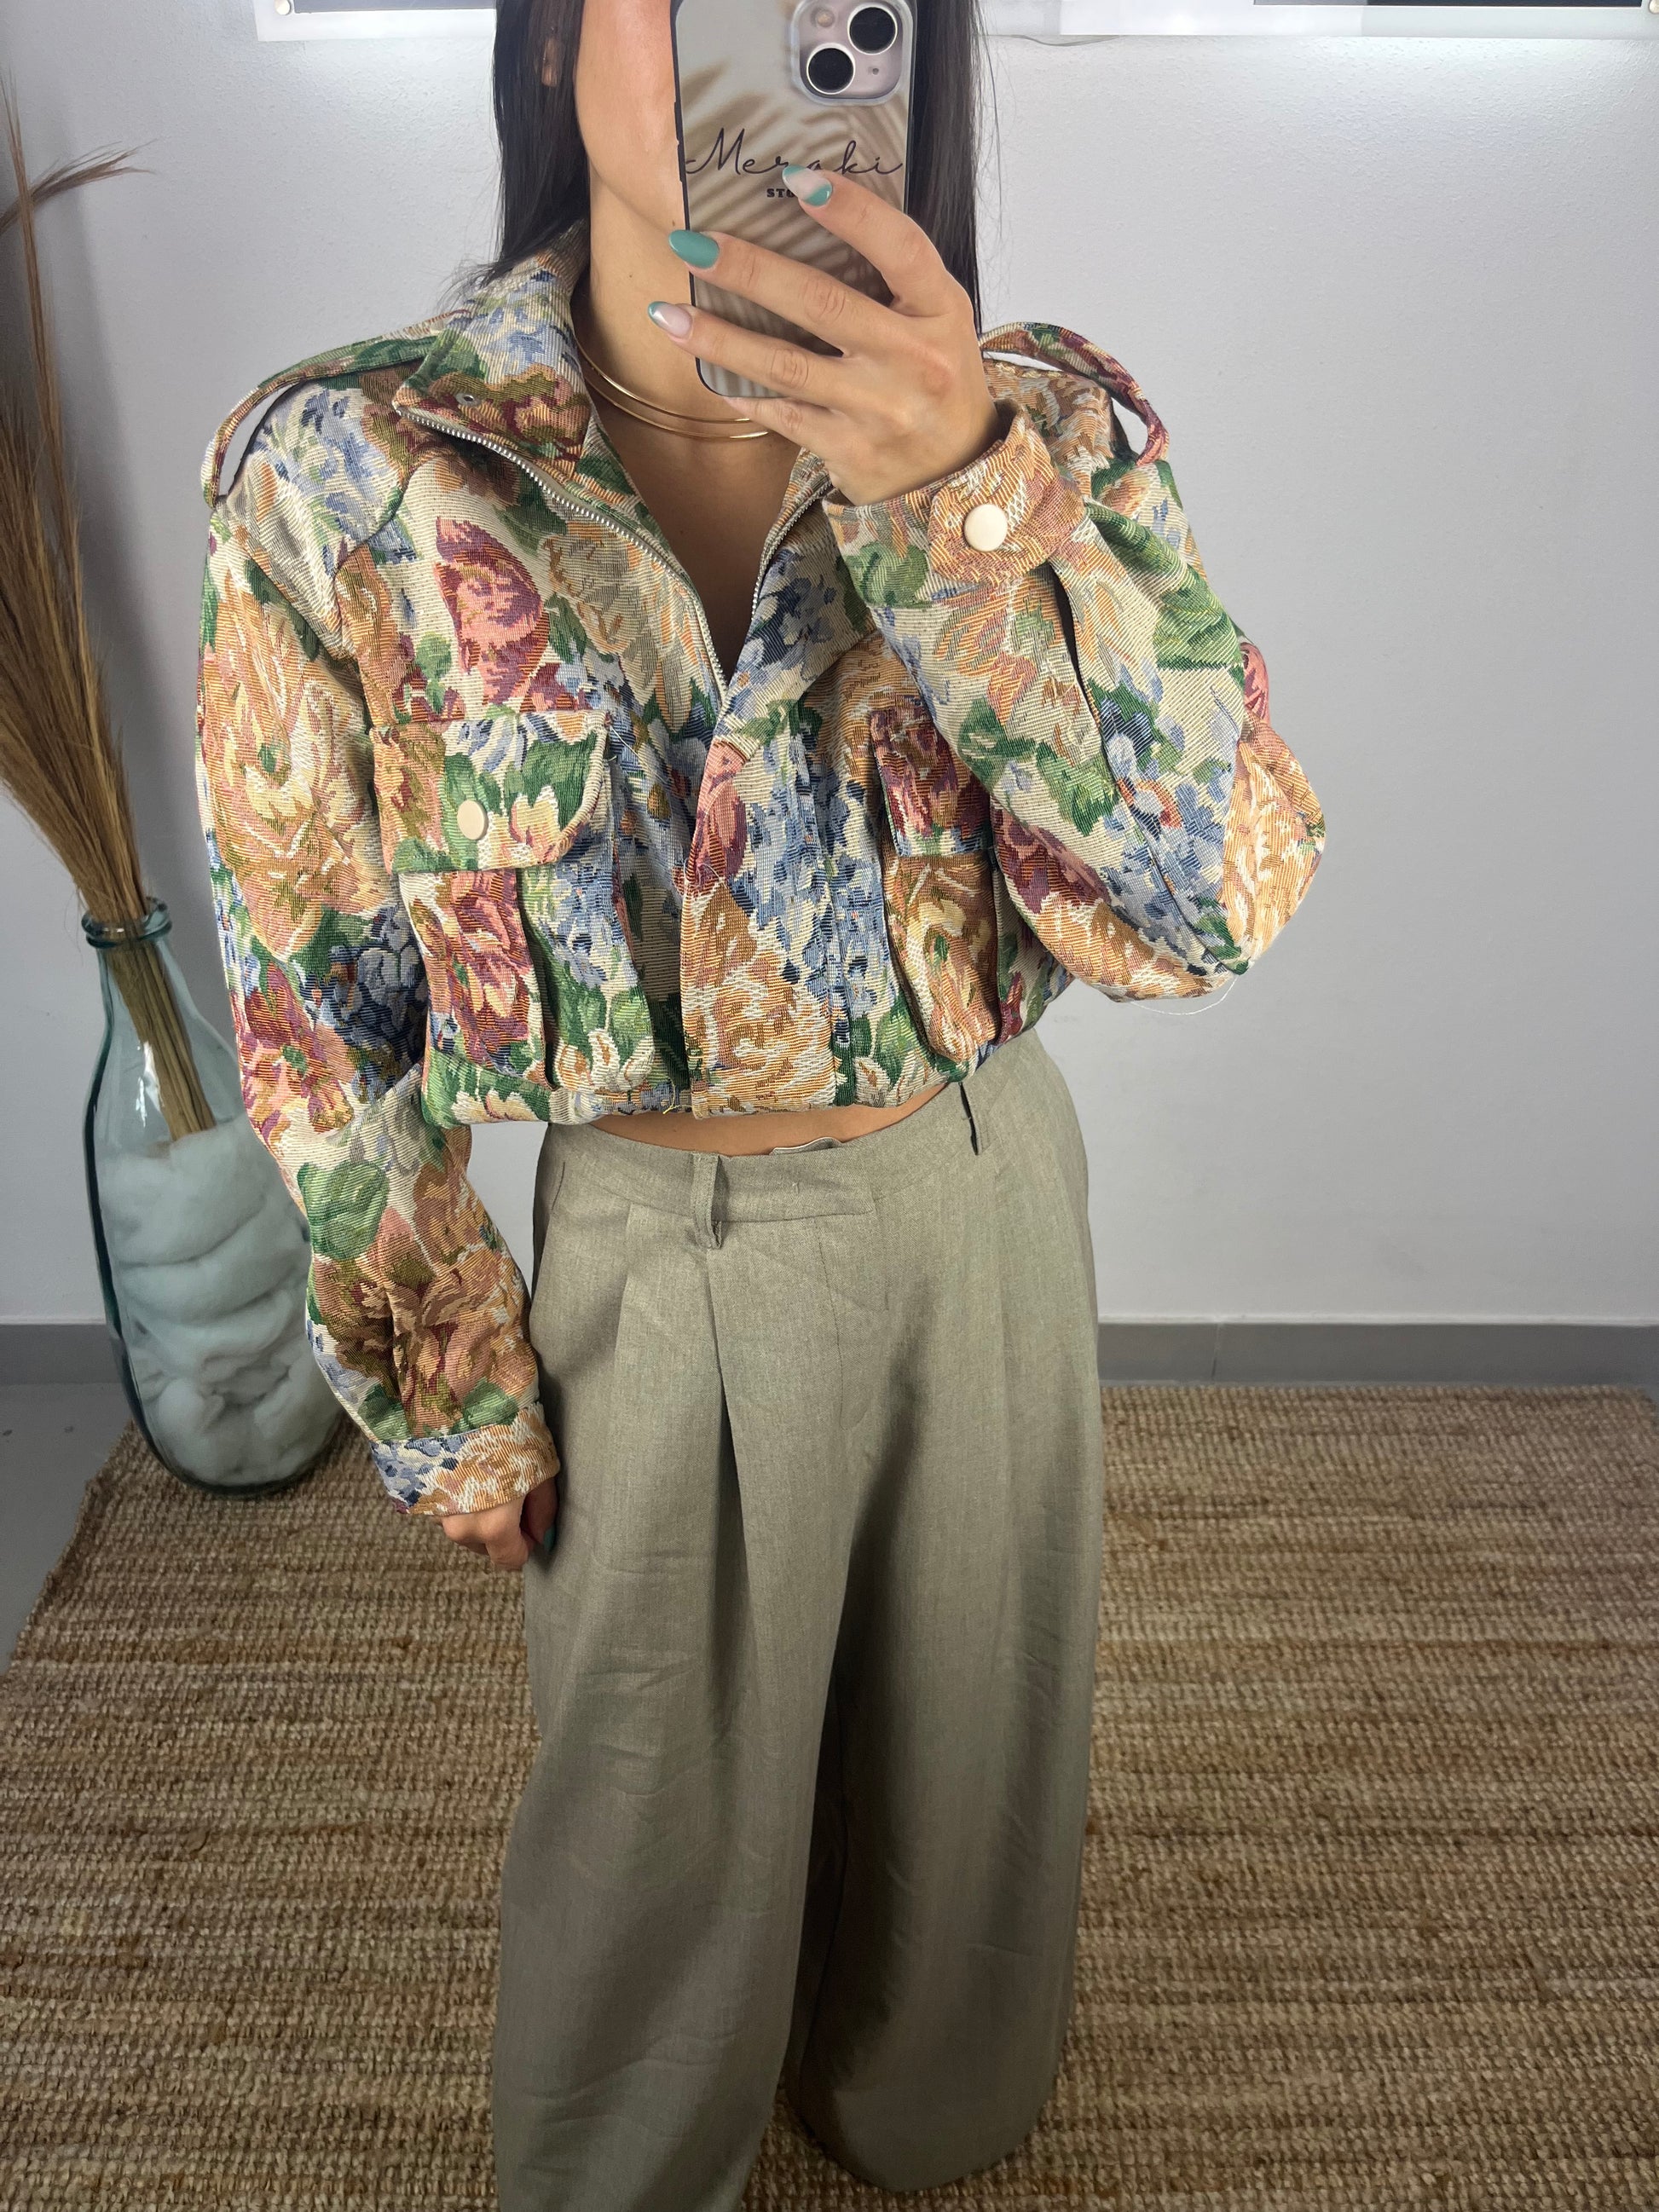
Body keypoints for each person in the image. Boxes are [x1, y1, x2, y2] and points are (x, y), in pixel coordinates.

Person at [194, 0, 1326, 2203]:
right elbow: (316, 991)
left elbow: (1211, 904)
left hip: (978, 1201)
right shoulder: (353, 466)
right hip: (654, 1245)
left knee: (970, 1791)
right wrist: (443, 1374)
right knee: (651, 1833)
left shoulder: (1045, 428)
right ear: (549, 41)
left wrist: (961, 496)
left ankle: (920, 2090)